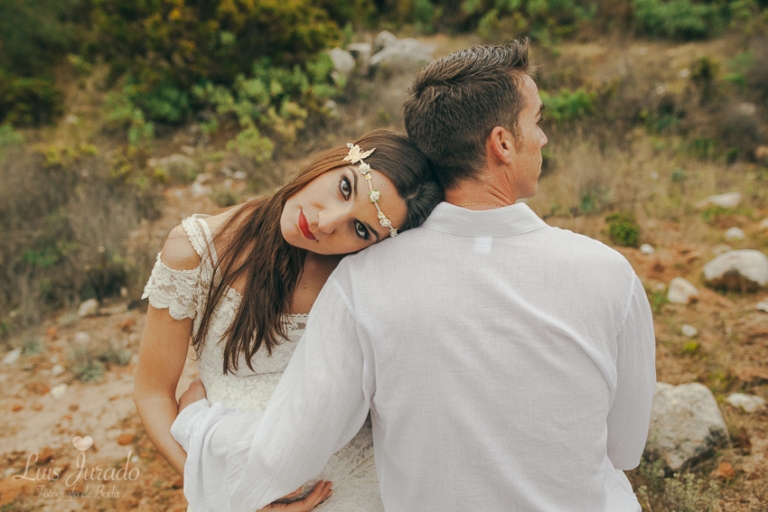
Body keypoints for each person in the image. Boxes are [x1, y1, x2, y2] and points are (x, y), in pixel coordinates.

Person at [171, 40, 656, 512]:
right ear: (502, 144)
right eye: (538, 120)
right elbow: (624, 449)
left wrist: (195, 421)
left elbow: (281, 454)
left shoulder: (363, 283)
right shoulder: (609, 273)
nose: (544, 137)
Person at [134, 129, 443, 511]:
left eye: (360, 229)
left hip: (365, 490)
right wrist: (230, 495)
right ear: (339, 157)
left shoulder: (365, 276)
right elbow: (152, 393)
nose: (327, 223)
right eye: (345, 188)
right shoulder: (195, 251)